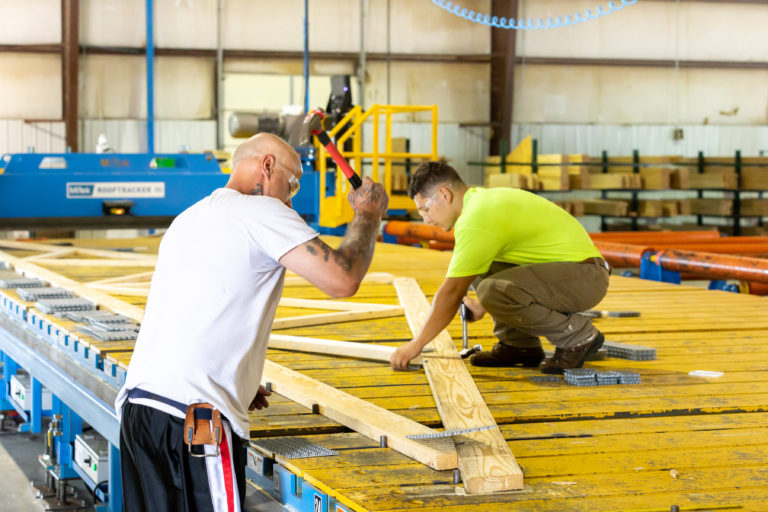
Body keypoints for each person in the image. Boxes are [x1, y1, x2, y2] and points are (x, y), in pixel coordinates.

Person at [115, 133, 388, 511]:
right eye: (292, 184)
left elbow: (198, 307)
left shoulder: (187, 219)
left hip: (139, 410)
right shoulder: (262, 211)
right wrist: (369, 215)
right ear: (267, 166)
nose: (291, 199)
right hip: (196, 421)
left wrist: (238, 378)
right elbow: (343, 280)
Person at [390, 161, 609, 374]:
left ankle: (578, 336)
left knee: (490, 290)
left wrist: (416, 344)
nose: (426, 220)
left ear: (445, 195)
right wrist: (484, 304)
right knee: (480, 269)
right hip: (571, 272)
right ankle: (519, 345)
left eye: (425, 209)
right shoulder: (479, 202)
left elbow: (452, 292)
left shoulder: (477, 217)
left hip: (585, 277)